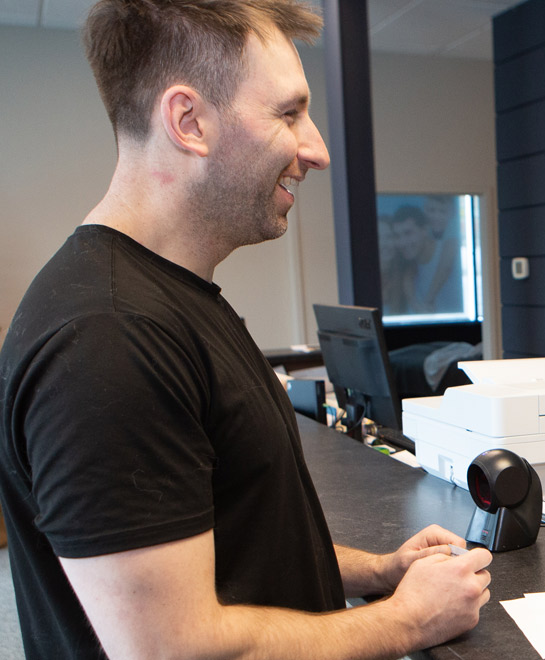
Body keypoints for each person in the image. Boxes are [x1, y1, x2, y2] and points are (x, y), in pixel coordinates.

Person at [0, 1, 491, 658]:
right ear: (189, 121)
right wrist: (406, 622)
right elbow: (174, 648)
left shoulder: (172, 298)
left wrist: (380, 571)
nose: (315, 149)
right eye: (288, 114)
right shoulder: (107, 337)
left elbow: (236, 543)